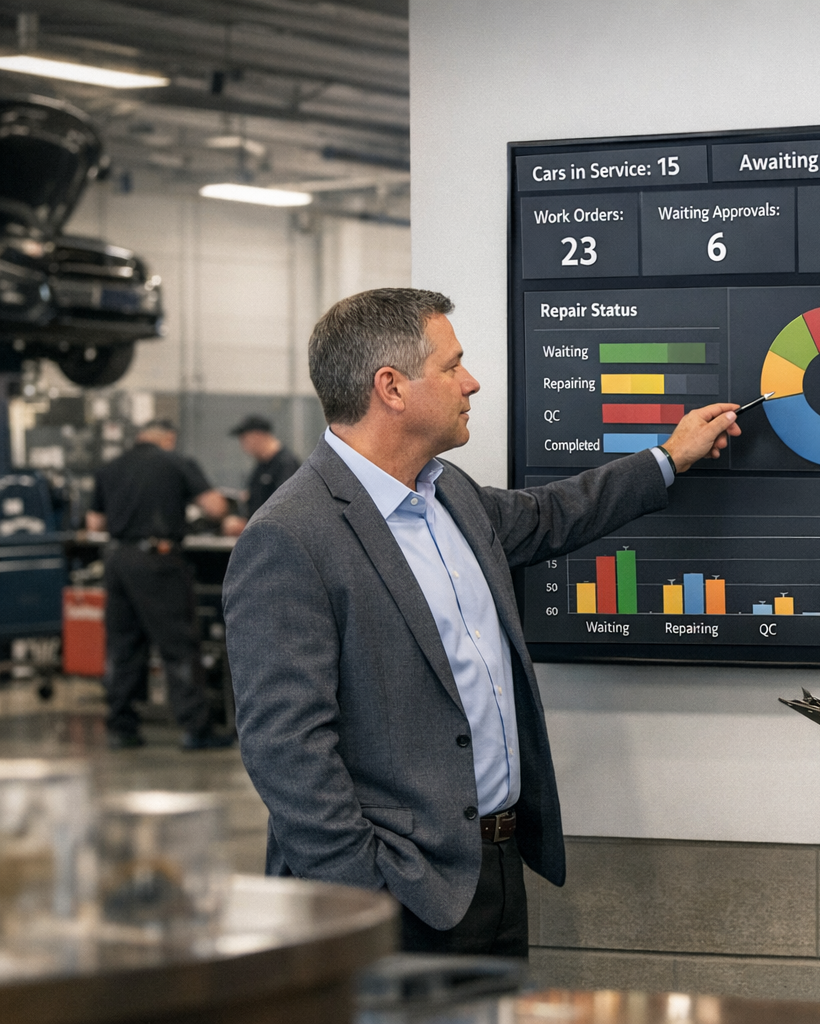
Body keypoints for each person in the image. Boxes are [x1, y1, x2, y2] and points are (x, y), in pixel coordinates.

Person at [223, 288, 741, 957]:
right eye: (451, 366)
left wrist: (668, 458)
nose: (472, 381)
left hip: (491, 870)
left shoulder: (451, 496)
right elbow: (284, 747)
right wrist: (365, 889)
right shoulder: (293, 536)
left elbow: (554, 514)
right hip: (393, 897)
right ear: (392, 388)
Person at [86, 419, 234, 750]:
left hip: (118, 561)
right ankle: (197, 728)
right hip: (158, 562)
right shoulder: (175, 462)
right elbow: (216, 507)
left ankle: (122, 727)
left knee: (123, 646)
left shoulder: (110, 467)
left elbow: (94, 522)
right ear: (168, 438)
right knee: (178, 644)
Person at [221, 414, 300, 535]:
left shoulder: (285, 465)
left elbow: (284, 511)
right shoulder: (261, 466)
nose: (242, 445)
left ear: (257, 436)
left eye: (244, 439)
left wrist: (245, 527)